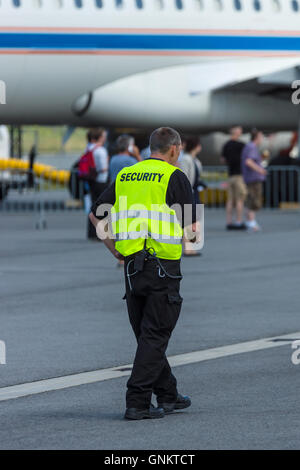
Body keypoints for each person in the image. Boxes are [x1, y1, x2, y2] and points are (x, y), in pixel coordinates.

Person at [89, 127, 200, 420]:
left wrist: (114, 249)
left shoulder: (126, 175)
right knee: (156, 333)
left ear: (151, 147)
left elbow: (96, 214)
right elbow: (191, 229)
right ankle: (137, 401)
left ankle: (168, 394)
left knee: (147, 334)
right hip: (162, 266)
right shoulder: (174, 177)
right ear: (174, 149)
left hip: (131, 268)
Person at [180, 136, 204, 256]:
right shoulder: (186, 159)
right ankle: (188, 248)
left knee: (195, 219)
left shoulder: (195, 160)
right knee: (189, 221)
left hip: (195, 192)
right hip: (189, 192)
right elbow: (185, 177)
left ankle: (191, 247)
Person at [221, 126, 247, 230]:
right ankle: (239, 221)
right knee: (240, 199)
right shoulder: (241, 145)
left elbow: (223, 159)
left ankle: (229, 221)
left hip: (230, 175)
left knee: (230, 200)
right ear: (236, 132)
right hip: (239, 175)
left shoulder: (226, 145)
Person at [241, 129, 267, 232]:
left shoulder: (249, 146)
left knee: (251, 200)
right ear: (257, 137)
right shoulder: (252, 147)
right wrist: (260, 170)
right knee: (253, 200)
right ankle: (251, 222)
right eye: (261, 137)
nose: (262, 139)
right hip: (253, 178)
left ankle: (250, 221)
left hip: (250, 178)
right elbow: (249, 161)